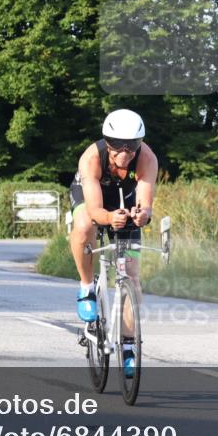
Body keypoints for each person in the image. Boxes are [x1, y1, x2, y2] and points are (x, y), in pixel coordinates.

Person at [68, 109, 158, 375]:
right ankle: (86, 287)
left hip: (125, 199)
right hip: (92, 197)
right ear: (107, 143)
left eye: (131, 148)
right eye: (118, 147)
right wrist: (108, 217)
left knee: (131, 275)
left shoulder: (148, 159)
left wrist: (142, 215)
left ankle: (129, 346)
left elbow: (145, 203)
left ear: (139, 144)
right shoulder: (91, 158)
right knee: (85, 225)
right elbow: (96, 211)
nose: (125, 154)